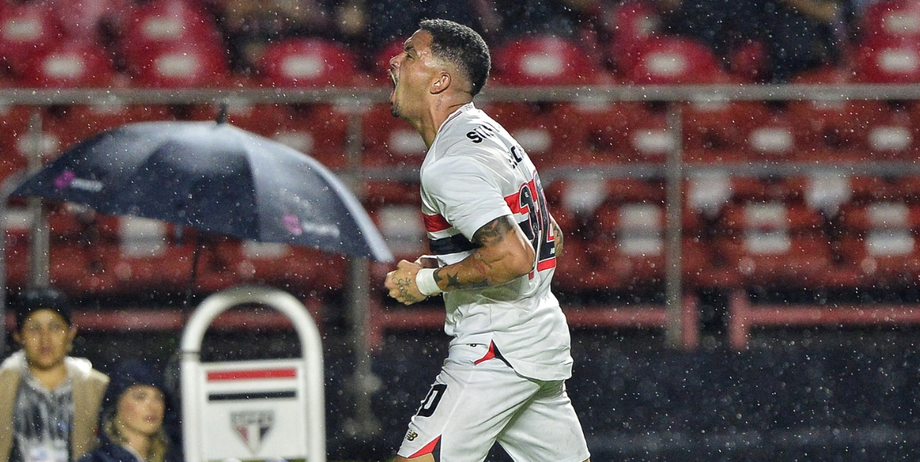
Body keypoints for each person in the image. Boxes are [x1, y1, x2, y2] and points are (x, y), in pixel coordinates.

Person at [383, 19, 591, 462]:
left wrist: (425, 283)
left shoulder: (449, 164)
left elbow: (513, 256)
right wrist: (446, 263)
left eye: (410, 54)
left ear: (441, 80)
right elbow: (549, 235)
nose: (394, 62)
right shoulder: (488, 132)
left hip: (496, 348)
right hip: (537, 336)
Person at [0, 288, 110, 462]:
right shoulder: (3, 387)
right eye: (34, 328)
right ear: (18, 336)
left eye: (55, 327)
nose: (45, 338)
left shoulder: (98, 388)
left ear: (71, 333)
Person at [77, 360, 182, 462]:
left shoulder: (174, 457)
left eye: (159, 398)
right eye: (140, 397)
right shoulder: (97, 460)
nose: (152, 406)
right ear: (117, 404)